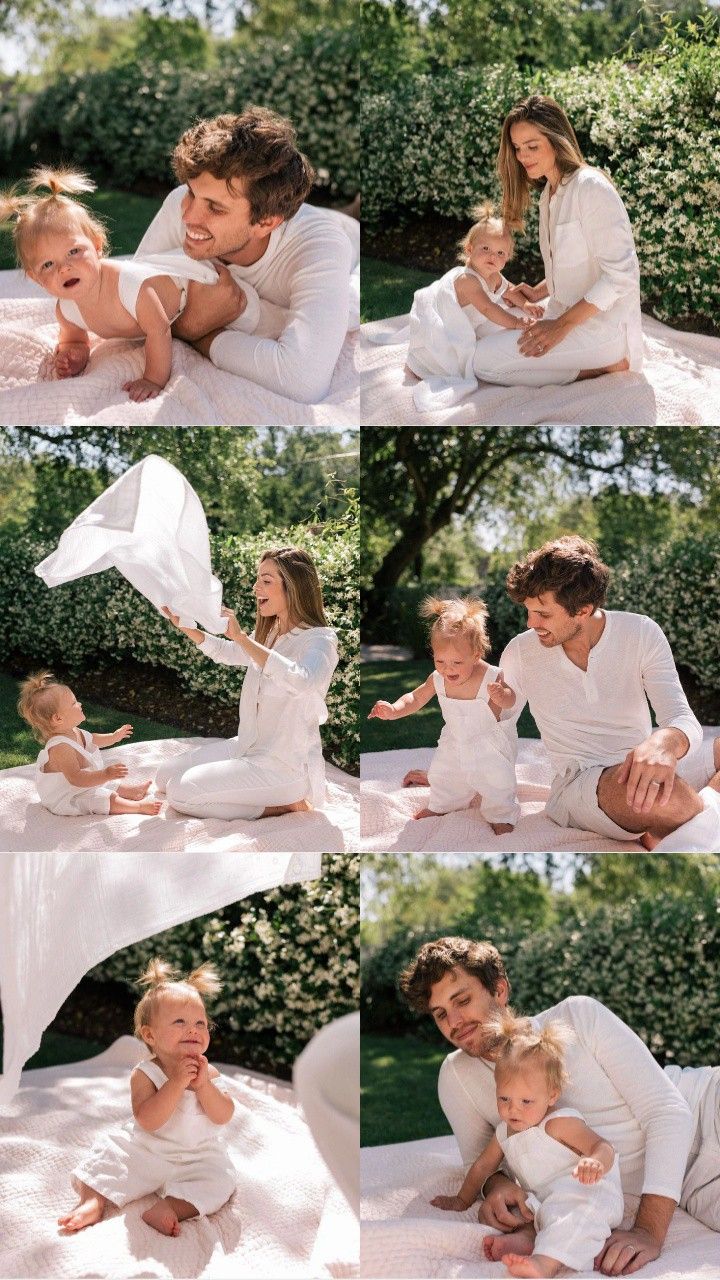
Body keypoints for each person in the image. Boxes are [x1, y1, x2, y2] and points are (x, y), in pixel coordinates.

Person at [400, 936, 720, 1276]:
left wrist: (648, 1231)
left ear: (500, 990)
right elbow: (479, 1164)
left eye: (462, 1000)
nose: (454, 1021)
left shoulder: (578, 1016)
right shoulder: (456, 1077)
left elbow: (667, 1112)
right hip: (692, 1186)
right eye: (440, 1014)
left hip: (704, 1107)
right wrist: (499, 1187)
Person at [500, 535, 720, 847]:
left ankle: (696, 808)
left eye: (543, 614)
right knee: (665, 795)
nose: (530, 622)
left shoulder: (641, 632)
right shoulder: (520, 652)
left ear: (583, 610)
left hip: (642, 761)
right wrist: (461, 775)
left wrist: (664, 743)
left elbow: (681, 716)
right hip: (578, 784)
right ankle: (680, 822)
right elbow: (496, 724)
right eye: (529, 610)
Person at [134, 106, 360, 404]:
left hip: (346, 234)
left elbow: (302, 381)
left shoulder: (320, 247)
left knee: (352, 301)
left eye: (215, 208)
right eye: (191, 192)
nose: (188, 216)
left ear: (265, 223)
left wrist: (197, 333)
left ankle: (355, 208)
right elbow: (131, 295)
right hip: (299, 216)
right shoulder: (180, 204)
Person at [0, 168, 224, 401]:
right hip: (162, 305)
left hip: (188, 286)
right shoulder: (67, 310)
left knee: (231, 308)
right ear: (35, 277)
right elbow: (74, 340)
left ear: (97, 246)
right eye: (47, 265)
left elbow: (159, 330)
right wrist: (73, 357)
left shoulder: (131, 287)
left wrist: (153, 379)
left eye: (74, 251)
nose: (64, 268)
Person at [431, 1011, 624, 1278]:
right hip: (547, 1198)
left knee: (571, 1213)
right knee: (522, 1209)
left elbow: (603, 1146)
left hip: (587, 1191)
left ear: (551, 1095)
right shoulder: (504, 1133)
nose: (514, 1110)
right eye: (504, 1098)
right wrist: (462, 1200)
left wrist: (594, 1162)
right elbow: (482, 1167)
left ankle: (545, 1264)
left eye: (526, 1102)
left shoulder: (558, 1123)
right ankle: (526, 1239)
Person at [472, 94, 642, 388]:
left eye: (532, 146)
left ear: (556, 139)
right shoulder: (548, 195)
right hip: (561, 310)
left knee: (482, 363)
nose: (523, 156)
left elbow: (621, 276)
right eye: (517, 148)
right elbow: (574, 262)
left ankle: (605, 366)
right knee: (481, 329)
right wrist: (538, 292)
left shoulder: (591, 187)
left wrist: (560, 327)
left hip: (601, 329)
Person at [157, 546, 338, 820]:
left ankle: (284, 805)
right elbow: (227, 653)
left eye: (266, 581)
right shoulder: (271, 633)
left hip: (282, 768)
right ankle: (266, 797)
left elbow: (303, 680)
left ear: (294, 588)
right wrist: (184, 626)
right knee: (163, 777)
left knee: (180, 792)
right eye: (258, 579)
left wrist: (242, 638)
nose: (256, 588)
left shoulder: (320, 641)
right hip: (246, 747)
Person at [58, 959, 236, 1236]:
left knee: (220, 1179)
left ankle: (171, 1208)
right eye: (180, 1022)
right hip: (148, 1148)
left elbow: (224, 1115)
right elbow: (148, 1120)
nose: (193, 1029)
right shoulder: (146, 1073)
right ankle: (93, 1201)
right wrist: (176, 1083)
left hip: (199, 1154)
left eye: (201, 1023)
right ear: (150, 1035)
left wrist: (204, 1087)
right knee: (109, 1153)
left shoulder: (208, 1072)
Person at [368, 595, 519, 833]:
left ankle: (501, 814)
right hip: (455, 740)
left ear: (476, 654)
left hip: (488, 742)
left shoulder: (491, 677)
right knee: (445, 774)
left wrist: (502, 695)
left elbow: (511, 699)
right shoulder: (438, 678)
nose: (448, 668)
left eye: (457, 662)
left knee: (497, 781)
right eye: (440, 660)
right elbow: (415, 698)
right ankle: (443, 804)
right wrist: (395, 709)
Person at [17, 672, 162, 817]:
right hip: (67, 797)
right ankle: (137, 807)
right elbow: (76, 778)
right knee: (98, 797)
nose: (79, 704)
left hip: (77, 787)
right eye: (74, 703)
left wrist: (114, 736)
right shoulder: (60, 748)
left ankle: (132, 792)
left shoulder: (72, 731)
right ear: (58, 718)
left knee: (102, 782)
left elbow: (92, 739)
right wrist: (105, 774)